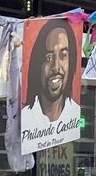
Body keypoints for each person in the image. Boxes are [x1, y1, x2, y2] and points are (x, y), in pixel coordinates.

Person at [19, 17, 80, 152]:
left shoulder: (75, 113)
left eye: (63, 56)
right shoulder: (26, 117)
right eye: (48, 58)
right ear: (37, 64)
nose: (56, 67)